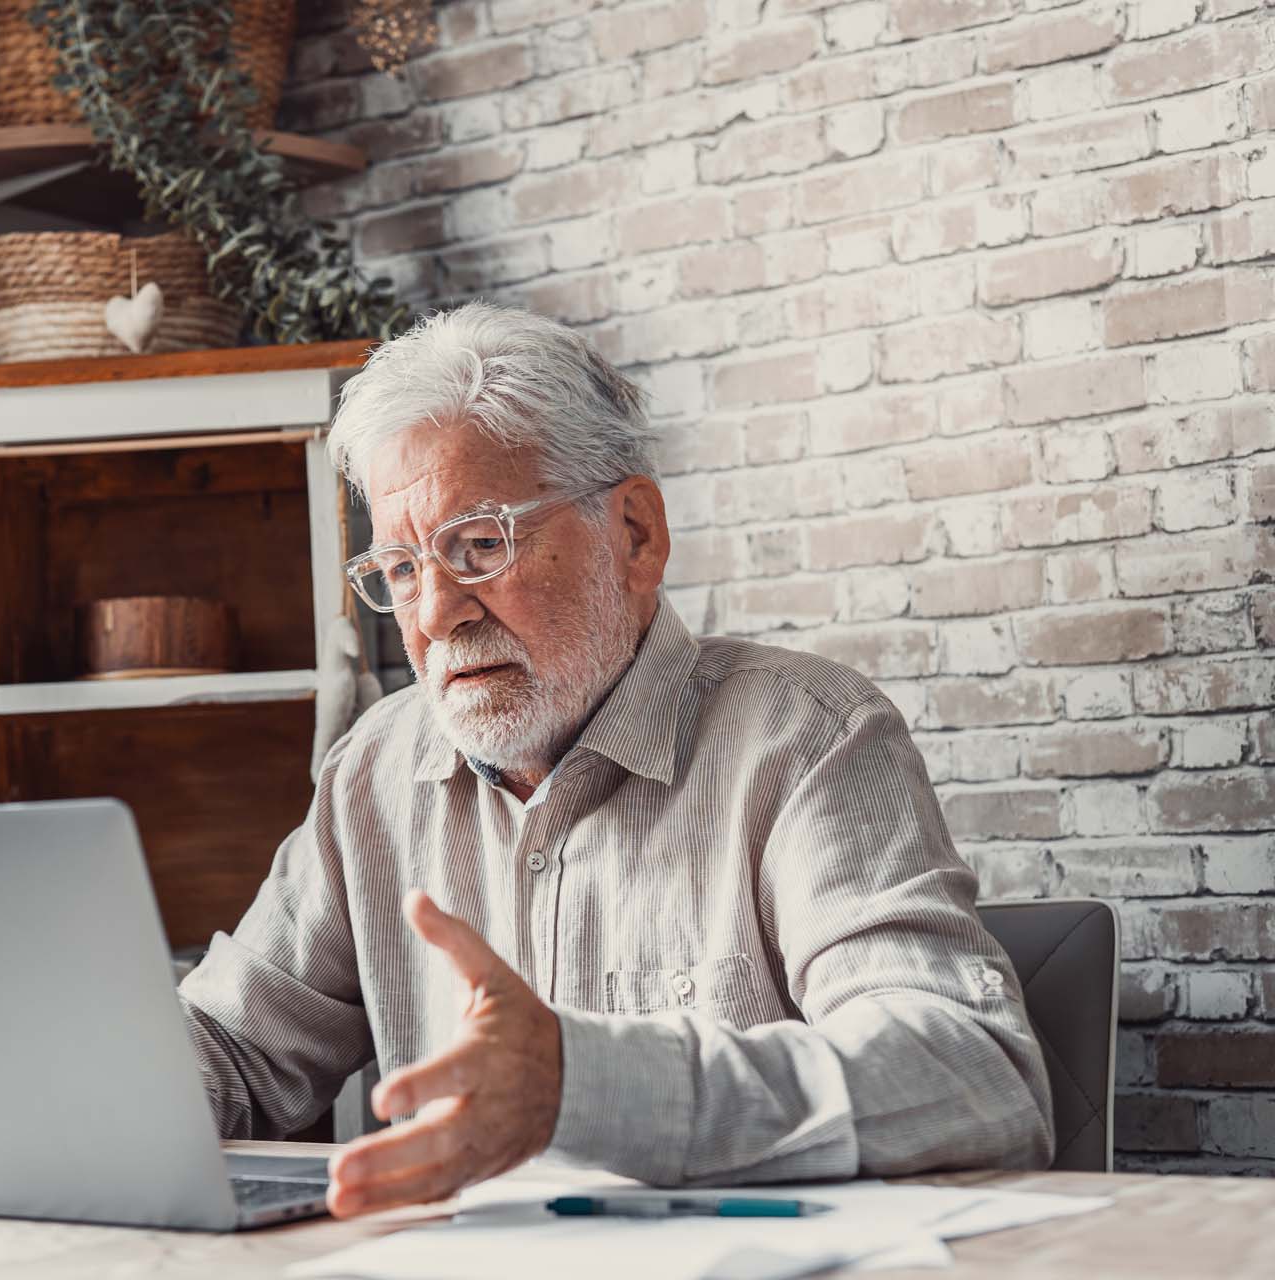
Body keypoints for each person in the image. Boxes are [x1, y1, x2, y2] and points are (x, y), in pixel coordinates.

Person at [176, 300, 1055, 1220]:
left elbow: (973, 1072)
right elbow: (230, 1046)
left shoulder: (807, 738)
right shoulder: (374, 774)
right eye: (400, 569)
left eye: (480, 545)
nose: (435, 615)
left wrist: (586, 1085)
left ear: (635, 534)